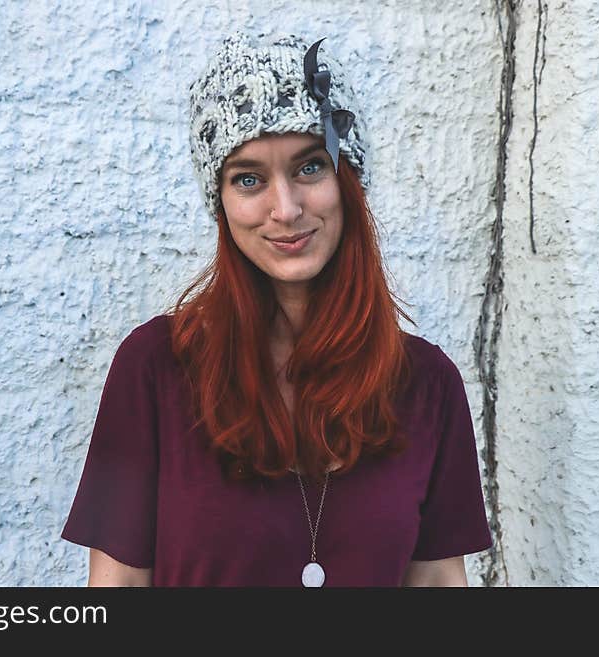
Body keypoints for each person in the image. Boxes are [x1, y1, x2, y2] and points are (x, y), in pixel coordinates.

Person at [61, 31, 492, 586]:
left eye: (310, 167)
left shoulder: (427, 384)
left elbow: (437, 586)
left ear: (349, 179)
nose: (284, 209)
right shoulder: (155, 370)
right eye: (249, 179)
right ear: (221, 201)